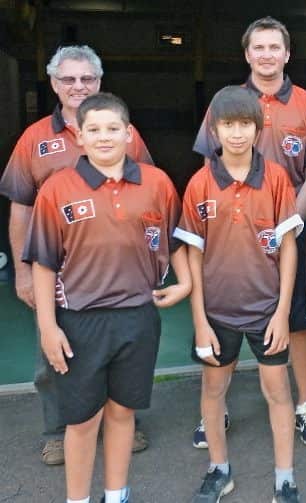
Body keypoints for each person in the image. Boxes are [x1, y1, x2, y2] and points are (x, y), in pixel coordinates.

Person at [24, 92, 190, 503]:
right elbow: (44, 263)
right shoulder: (57, 189)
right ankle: (78, 499)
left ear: (129, 134)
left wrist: (184, 281)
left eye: (113, 128)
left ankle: (116, 495)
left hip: (138, 316)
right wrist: (48, 326)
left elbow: (175, 238)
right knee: (82, 420)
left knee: (122, 412)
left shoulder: (156, 183)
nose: (104, 137)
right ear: (78, 136)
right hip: (80, 319)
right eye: (93, 129)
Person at [0, 45, 153, 466]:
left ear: (99, 82)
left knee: (122, 350)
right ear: (53, 83)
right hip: (58, 273)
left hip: (118, 275)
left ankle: (125, 422)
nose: (78, 86)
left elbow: (148, 194)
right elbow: (20, 207)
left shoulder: (128, 133)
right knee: (54, 356)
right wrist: (23, 271)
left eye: (87, 78)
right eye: (69, 79)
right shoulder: (34, 139)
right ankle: (57, 431)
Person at [193, 16, 306, 449]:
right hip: (235, 235)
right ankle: (215, 410)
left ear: (287, 54)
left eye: (275, 47)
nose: (267, 55)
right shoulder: (226, 104)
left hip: (292, 229)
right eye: (259, 48)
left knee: (295, 321)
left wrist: (289, 217)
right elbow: (208, 166)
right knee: (228, 317)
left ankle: (304, 405)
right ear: (247, 54)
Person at [177, 86, 303, 502]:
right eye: (228, 125)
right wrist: (199, 322)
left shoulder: (276, 178)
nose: (236, 134)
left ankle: (284, 478)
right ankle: (219, 470)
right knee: (213, 392)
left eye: (244, 124)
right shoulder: (199, 183)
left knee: (278, 392)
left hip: (267, 309)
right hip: (217, 311)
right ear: (214, 130)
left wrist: (282, 313)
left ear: (257, 128)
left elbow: (288, 247)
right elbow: (192, 256)